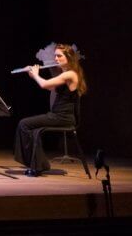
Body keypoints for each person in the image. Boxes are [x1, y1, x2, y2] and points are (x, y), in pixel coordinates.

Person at [14, 43, 88, 176]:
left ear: (69, 58)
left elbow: (44, 84)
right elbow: (50, 87)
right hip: (57, 115)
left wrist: (36, 74)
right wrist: (33, 75)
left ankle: (39, 165)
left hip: (62, 117)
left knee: (24, 124)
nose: (56, 59)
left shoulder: (70, 74)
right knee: (31, 128)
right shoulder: (66, 74)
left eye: (59, 56)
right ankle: (39, 164)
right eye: (55, 56)